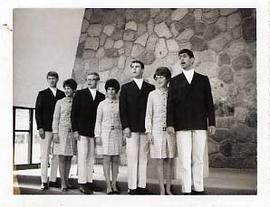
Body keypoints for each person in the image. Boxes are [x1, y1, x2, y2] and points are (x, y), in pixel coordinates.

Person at [167, 49, 216, 195]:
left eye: (184, 57)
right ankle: (187, 189)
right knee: (184, 160)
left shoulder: (203, 79)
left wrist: (212, 122)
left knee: (198, 158)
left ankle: (199, 188)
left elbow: (209, 102)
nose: (182, 59)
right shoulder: (174, 81)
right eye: (180, 57)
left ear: (192, 60)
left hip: (200, 124)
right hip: (181, 126)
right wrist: (170, 123)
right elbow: (170, 104)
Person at [119, 60, 155, 195]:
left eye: (137, 67)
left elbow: (152, 109)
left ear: (143, 69)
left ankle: (142, 186)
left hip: (145, 128)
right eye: (132, 67)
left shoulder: (150, 88)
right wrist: (125, 126)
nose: (134, 69)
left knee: (143, 158)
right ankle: (132, 187)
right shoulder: (126, 87)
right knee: (132, 157)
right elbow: (122, 109)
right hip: (131, 128)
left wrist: (149, 127)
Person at [71, 72, 105, 194]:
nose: (90, 81)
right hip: (81, 131)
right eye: (88, 79)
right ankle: (82, 183)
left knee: (91, 158)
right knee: (83, 157)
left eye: (93, 79)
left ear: (98, 81)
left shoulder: (101, 96)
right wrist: (75, 130)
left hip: (94, 131)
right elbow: (74, 113)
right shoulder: (80, 94)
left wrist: (99, 132)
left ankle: (90, 181)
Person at [145, 67, 176, 195]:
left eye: (161, 77)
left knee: (169, 160)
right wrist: (149, 132)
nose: (158, 79)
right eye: (156, 77)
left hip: (170, 132)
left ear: (167, 79)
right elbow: (148, 115)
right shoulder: (152, 95)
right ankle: (162, 189)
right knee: (159, 160)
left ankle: (168, 188)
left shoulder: (172, 93)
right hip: (157, 131)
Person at [35, 71, 65, 190]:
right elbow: (37, 111)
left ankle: (53, 180)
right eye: (50, 78)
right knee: (44, 155)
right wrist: (40, 127)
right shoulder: (42, 94)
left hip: (58, 129)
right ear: (47, 80)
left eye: (54, 78)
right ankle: (44, 181)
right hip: (46, 129)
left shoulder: (62, 94)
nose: (52, 80)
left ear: (57, 80)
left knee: (56, 155)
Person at [95, 79, 124, 194]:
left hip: (117, 133)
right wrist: (97, 135)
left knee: (116, 159)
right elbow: (98, 121)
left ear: (116, 91)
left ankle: (114, 184)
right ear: (106, 91)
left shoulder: (120, 104)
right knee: (106, 159)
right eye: (109, 89)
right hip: (105, 134)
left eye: (113, 89)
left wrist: (123, 137)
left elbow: (122, 121)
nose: (111, 92)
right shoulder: (102, 104)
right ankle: (108, 185)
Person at [52, 78, 77, 192]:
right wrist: (55, 133)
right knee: (62, 157)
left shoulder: (77, 101)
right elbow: (55, 119)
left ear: (74, 90)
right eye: (65, 88)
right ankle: (63, 183)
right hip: (61, 133)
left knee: (69, 157)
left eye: (69, 88)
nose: (67, 90)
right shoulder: (60, 102)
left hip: (72, 133)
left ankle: (66, 181)